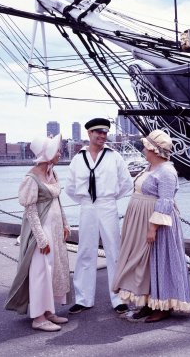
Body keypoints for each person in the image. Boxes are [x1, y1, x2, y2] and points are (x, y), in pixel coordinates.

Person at [112, 129, 190, 323]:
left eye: (146, 147)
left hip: (158, 224)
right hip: (141, 221)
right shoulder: (149, 168)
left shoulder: (167, 171)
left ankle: (163, 305)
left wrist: (153, 228)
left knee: (159, 262)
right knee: (146, 264)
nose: (143, 149)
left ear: (155, 150)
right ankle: (148, 303)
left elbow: (165, 201)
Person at [65, 117, 133, 315]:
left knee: (114, 252)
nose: (103, 136)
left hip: (107, 205)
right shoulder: (78, 158)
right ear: (89, 134)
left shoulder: (114, 156)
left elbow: (126, 183)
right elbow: (69, 187)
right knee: (85, 251)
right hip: (87, 207)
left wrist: (109, 198)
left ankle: (119, 298)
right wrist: (87, 202)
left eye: (105, 132)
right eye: (98, 132)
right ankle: (83, 299)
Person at [5, 134, 71, 332]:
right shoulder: (31, 178)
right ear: (48, 154)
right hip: (41, 230)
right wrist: (41, 239)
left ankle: (49, 310)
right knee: (41, 271)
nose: (60, 153)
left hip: (55, 228)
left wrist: (66, 224)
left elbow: (56, 201)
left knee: (53, 268)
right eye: (57, 150)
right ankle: (39, 317)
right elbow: (31, 212)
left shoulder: (52, 173)